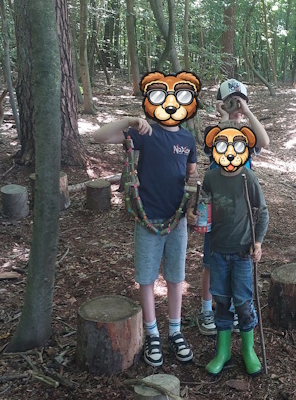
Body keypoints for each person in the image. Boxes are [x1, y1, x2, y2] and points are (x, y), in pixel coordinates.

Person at [94, 71, 201, 367]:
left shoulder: (187, 138)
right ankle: (152, 332)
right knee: (146, 278)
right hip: (148, 219)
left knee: (176, 278)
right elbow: (99, 137)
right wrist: (130, 121)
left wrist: (194, 201)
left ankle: (175, 331)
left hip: (177, 220)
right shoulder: (145, 133)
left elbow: (192, 175)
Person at [188, 124, 269, 376]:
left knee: (243, 303)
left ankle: (248, 350)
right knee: (222, 302)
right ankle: (222, 351)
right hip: (218, 251)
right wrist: (193, 214)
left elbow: (262, 212)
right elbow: (201, 207)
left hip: (243, 252)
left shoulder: (248, 178)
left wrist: (258, 243)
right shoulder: (211, 178)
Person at [196, 79, 270, 336]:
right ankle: (207, 309)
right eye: (231, 101)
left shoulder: (247, 135)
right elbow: (211, 146)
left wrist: (246, 113)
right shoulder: (215, 131)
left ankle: (240, 308)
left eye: (240, 101)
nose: (236, 106)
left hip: (241, 207)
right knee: (211, 262)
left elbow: (265, 141)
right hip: (217, 208)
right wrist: (224, 117)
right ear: (221, 103)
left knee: (241, 260)